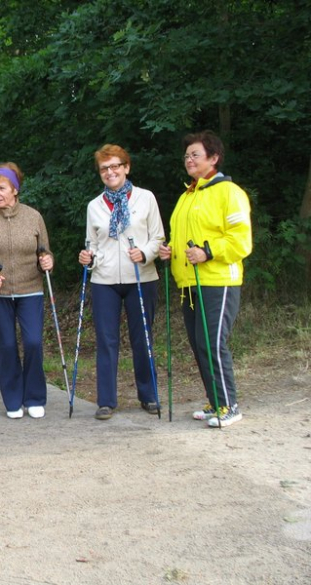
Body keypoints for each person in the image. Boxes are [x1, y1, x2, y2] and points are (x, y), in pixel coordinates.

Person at [159, 130, 252, 427]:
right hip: (189, 284)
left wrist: (208, 252)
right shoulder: (187, 196)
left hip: (219, 279)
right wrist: (169, 251)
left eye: (195, 154)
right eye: (186, 155)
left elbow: (241, 241)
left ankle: (229, 405)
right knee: (200, 344)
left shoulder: (230, 193)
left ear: (213, 158)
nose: (189, 159)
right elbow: (183, 239)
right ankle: (215, 402)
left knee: (213, 342)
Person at [78, 145, 165, 421]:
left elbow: (158, 238)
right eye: (104, 168)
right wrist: (88, 259)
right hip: (104, 280)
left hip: (141, 277)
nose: (110, 172)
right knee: (106, 341)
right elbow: (92, 245)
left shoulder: (145, 198)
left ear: (126, 167)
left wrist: (146, 253)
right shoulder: (94, 206)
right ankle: (106, 401)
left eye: (115, 166)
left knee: (143, 339)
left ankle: (149, 395)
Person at [0, 162, 53, 419]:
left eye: (2, 188)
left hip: (30, 289)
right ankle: (13, 399)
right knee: (5, 345)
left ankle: (35, 396)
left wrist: (47, 261)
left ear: (14, 189)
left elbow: (45, 252)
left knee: (33, 342)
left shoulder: (33, 216)